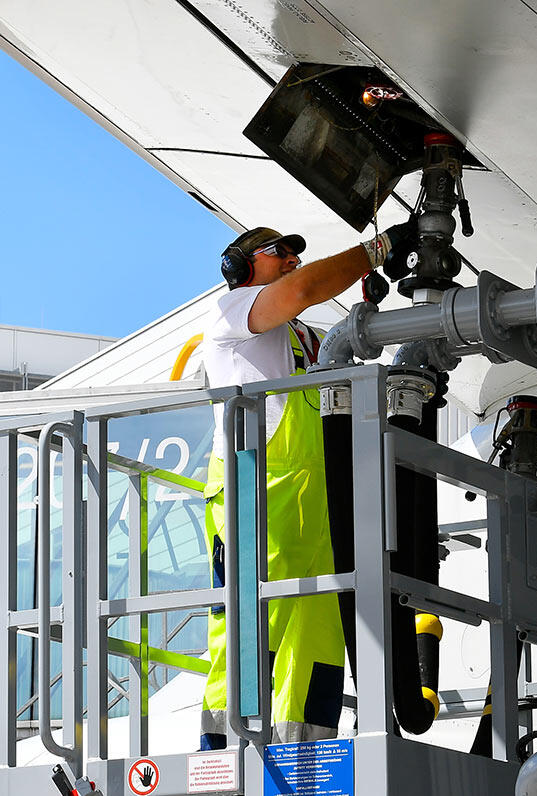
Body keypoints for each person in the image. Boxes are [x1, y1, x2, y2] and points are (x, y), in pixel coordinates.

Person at [198, 222, 414, 749]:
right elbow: (302, 290)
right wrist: (376, 251)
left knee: (318, 641)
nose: (293, 260)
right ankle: (225, 757)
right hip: (257, 496)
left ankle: (307, 760)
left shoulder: (304, 338)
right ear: (240, 265)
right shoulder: (231, 312)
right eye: (280, 252)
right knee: (253, 626)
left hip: (316, 507)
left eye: (297, 254)